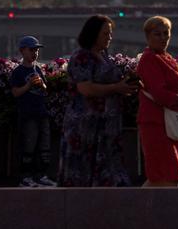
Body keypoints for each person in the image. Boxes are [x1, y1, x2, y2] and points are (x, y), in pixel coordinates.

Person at [58, 14, 137, 187]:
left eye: (110, 33)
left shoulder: (104, 55)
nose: (110, 37)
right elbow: (85, 89)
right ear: (93, 34)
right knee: (83, 176)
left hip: (107, 128)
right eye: (105, 34)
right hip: (85, 128)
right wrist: (116, 88)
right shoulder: (82, 57)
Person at [136, 16, 178, 187]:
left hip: (171, 123)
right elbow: (159, 93)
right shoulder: (149, 58)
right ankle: (166, 212)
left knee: (164, 175)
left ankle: (136, 210)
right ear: (147, 36)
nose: (163, 38)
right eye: (158, 34)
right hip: (156, 124)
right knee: (166, 174)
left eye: (166, 33)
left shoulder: (167, 57)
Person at [9, 35, 55, 187]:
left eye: (36, 50)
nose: (35, 53)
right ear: (22, 51)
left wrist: (42, 85)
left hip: (42, 113)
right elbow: (15, 93)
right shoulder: (18, 72)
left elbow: (46, 90)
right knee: (28, 147)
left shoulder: (38, 69)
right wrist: (28, 85)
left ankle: (42, 175)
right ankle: (25, 177)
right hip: (28, 114)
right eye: (31, 50)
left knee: (45, 147)